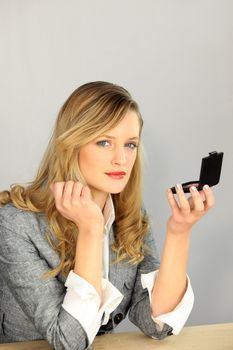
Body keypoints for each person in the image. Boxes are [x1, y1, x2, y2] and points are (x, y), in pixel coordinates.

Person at [0, 81, 214, 350]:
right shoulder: (16, 225)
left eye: (130, 145)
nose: (121, 159)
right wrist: (91, 230)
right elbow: (70, 342)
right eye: (104, 142)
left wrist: (179, 231)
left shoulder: (129, 215)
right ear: (71, 145)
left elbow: (157, 324)